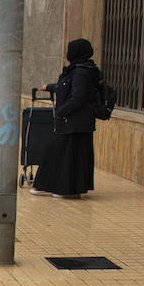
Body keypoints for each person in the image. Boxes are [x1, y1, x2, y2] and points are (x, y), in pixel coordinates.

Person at [30, 38, 100, 199]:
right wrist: (50, 87)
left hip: (75, 123)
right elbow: (68, 87)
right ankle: (64, 188)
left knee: (60, 154)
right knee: (66, 155)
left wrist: (61, 111)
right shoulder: (78, 70)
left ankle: (65, 189)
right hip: (73, 123)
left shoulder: (82, 72)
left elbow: (78, 97)